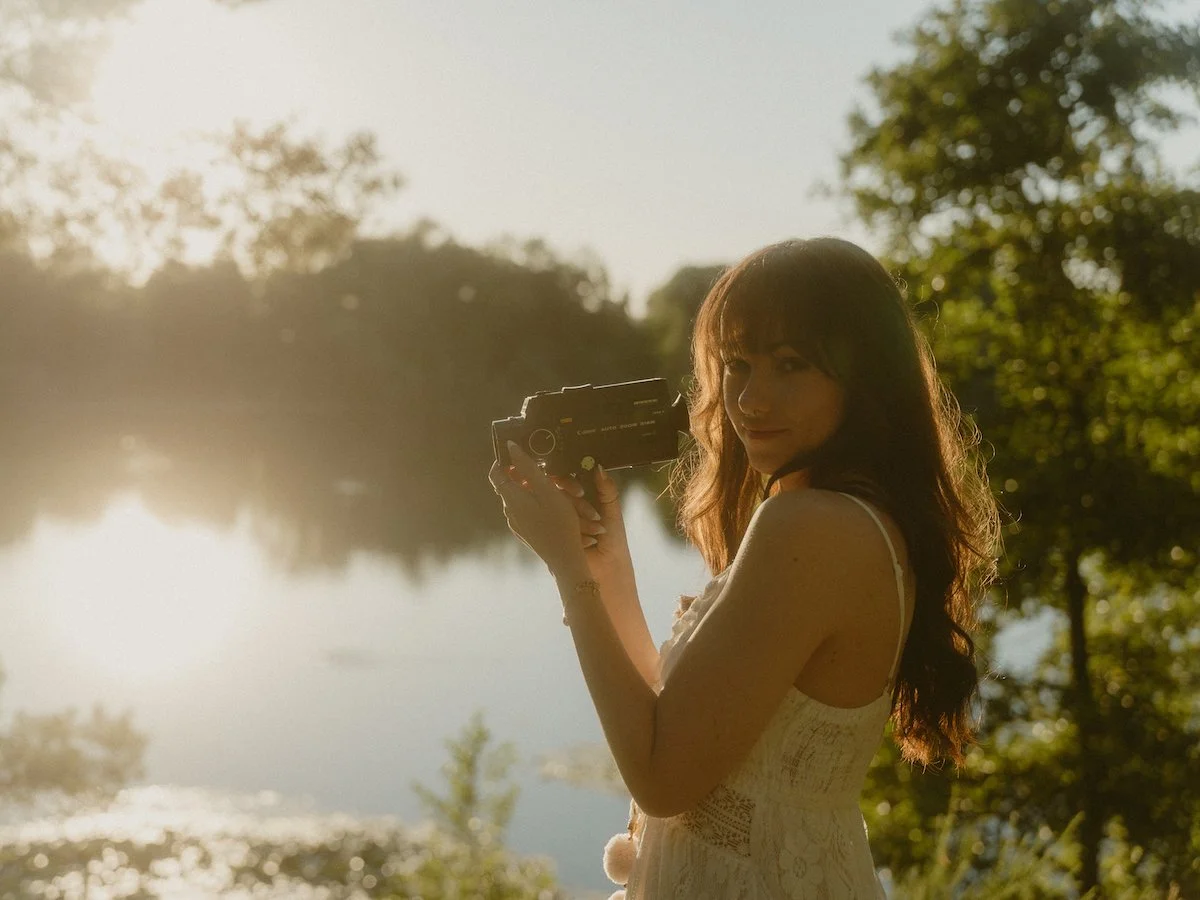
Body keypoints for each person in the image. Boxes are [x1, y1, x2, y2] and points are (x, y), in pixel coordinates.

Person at [488, 237, 1000, 898]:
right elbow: (679, 724)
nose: (752, 399)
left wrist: (567, 571)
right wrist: (602, 563)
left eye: (790, 365)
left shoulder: (813, 527)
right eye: (737, 364)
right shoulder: (837, 516)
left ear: (865, 377)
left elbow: (662, 780)